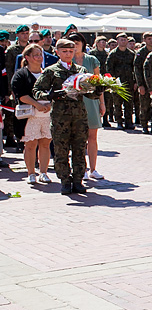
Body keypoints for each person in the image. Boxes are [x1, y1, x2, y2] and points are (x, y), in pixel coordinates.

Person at [32, 39, 97, 195]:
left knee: (80, 149)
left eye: (71, 51)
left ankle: (78, 180)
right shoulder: (51, 71)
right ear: (58, 52)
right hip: (61, 118)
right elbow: (36, 90)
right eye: (65, 51)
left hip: (79, 117)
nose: (68, 54)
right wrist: (50, 95)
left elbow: (90, 94)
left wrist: (98, 90)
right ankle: (65, 181)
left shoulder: (81, 71)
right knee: (61, 150)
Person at [11, 44, 51, 184]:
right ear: (27, 57)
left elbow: (54, 92)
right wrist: (38, 105)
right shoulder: (21, 74)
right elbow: (20, 95)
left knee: (45, 144)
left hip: (46, 115)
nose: (39, 57)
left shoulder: (46, 73)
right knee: (30, 144)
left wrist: (49, 104)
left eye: (40, 54)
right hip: (29, 115)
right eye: (35, 55)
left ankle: (44, 172)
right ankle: (31, 173)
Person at [68, 33, 106, 181]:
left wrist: (102, 103)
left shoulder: (91, 60)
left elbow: (99, 83)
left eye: (78, 42)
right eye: (72, 43)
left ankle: (93, 168)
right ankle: (80, 168)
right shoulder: (67, 60)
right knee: (77, 138)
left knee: (92, 136)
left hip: (91, 101)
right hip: (74, 101)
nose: (75, 45)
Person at [107, 33, 135, 129]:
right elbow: (109, 69)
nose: (123, 41)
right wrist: (112, 82)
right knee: (117, 103)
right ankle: (119, 121)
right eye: (121, 40)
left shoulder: (131, 54)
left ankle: (129, 122)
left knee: (129, 103)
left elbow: (134, 69)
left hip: (129, 82)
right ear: (117, 41)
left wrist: (135, 82)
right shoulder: (113, 54)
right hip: (117, 83)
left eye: (124, 40)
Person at [134, 33, 152, 134]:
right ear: (144, 40)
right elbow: (137, 69)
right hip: (144, 84)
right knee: (144, 106)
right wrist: (140, 84)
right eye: (149, 39)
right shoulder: (140, 53)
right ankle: (144, 125)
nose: (151, 41)